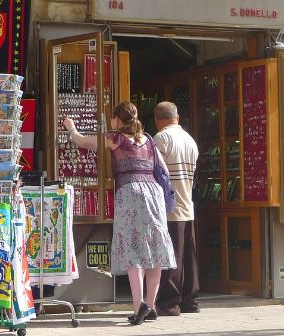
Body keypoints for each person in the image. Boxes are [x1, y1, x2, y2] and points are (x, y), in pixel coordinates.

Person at [62, 101, 176, 325]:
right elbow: (162, 168)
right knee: (155, 249)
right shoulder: (149, 140)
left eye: (113, 117)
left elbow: (83, 142)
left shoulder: (115, 138)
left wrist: (71, 128)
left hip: (131, 192)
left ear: (117, 119)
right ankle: (151, 306)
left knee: (134, 249)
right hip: (153, 193)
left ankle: (138, 306)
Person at [153, 101, 200, 316]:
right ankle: (191, 301)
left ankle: (170, 303)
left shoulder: (161, 138)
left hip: (170, 207)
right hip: (187, 204)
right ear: (177, 117)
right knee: (189, 257)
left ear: (157, 120)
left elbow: (155, 172)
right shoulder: (190, 140)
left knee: (172, 257)